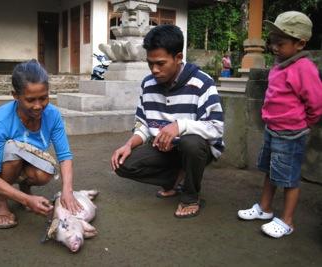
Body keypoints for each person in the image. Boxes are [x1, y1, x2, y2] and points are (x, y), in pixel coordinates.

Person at [111, 24, 224, 218]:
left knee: (192, 143)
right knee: (122, 164)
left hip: (195, 150)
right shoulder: (148, 84)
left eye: (160, 63)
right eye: (150, 63)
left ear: (178, 57)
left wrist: (180, 126)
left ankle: (190, 196)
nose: (154, 70)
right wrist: (129, 144)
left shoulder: (202, 83)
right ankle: (175, 178)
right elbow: (143, 125)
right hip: (163, 149)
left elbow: (216, 128)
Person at [238, 11, 322, 238]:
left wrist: (304, 123)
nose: (274, 47)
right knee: (270, 170)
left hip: (291, 133)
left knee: (289, 178)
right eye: (272, 42)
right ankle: (265, 208)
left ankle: (287, 221)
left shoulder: (304, 68)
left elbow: (316, 102)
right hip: (273, 129)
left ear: (300, 43)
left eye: (280, 43)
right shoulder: (281, 64)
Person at [0, 59, 82, 229]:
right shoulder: (0, 120)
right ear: (15, 96)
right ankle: (1, 203)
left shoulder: (52, 114)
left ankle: (24, 188)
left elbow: (64, 156)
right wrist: (27, 201)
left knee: (44, 172)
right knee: (12, 150)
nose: (39, 106)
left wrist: (67, 191)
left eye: (44, 98)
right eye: (31, 100)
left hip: (27, 155)